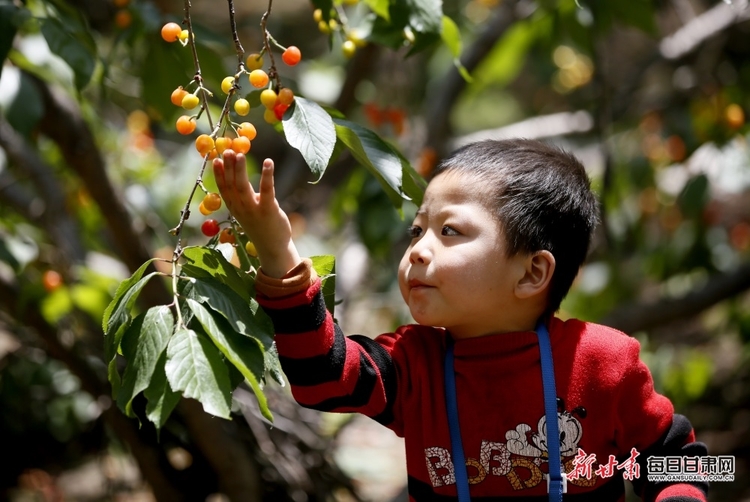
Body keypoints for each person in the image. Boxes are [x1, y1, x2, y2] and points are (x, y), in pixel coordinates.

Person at [213, 139, 708, 501]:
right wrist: (278, 252)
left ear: (532, 272)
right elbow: (322, 379)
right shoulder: (414, 364)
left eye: (449, 231)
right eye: (417, 230)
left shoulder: (602, 363)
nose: (418, 250)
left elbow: (691, 464)